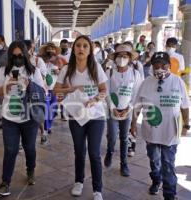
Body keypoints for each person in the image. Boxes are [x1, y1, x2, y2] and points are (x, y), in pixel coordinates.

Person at [54, 35, 108, 200]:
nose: (81, 49)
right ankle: (79, 181)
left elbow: (104, 90)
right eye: (78, 45)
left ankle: (97, 189)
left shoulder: (96, 67)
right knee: (79, 151)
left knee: (94, 152)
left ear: (90, 49)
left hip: (96, 116)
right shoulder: (66, 69)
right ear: (73, 48)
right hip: (76, 116)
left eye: (85, 46)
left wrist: (95, 100)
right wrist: (70, 90)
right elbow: (56, 90)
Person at [131, 52, 190, 200]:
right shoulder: (146, 83)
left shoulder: (178, 82)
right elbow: (137, 106)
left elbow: (184, 106)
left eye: (163, 65)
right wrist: (133, 124)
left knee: (168, 164)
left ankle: (170, 195)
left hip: (170, 132)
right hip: (151, 132)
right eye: (156, 66)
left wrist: (186, 124)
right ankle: (156, 180)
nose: (159, 69)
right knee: (154, 161)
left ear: (169, 66)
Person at [0, 41, 44, 197]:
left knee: (29, 148)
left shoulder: (34, 71)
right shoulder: (3, 71)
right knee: (10, 150)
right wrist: (6, 87)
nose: (17, 58)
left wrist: (29, 85)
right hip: (9, 118)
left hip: (29, 118)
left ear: (26, 54)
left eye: (20, 55)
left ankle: (30, 169)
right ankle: (5, 182)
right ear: (10, 56)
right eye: (14, 56)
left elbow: (42, 92)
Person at [104, 44, 142, 177]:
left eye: (125, 56)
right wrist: (113, 108)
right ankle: (109, 152)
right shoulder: (109, 72)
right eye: (119, 56)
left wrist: (129, 108)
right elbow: (106, 91)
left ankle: (124, 164)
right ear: (115, 58)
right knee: (112, 137)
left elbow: (137, 93)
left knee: (124, 138)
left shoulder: (135, 74)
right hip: (112, 110)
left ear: (129, 58)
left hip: (127, 111)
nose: (122, 59)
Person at [39, 42, 65, 144]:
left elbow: (63, 71)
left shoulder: (57, 61)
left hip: (54, 89)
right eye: (48, 50)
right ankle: (46, 127)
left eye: (52, 50)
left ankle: (49, 123)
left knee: (53, 109)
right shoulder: (40, 61)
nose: (50, 51)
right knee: (46, 108)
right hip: (44, 90)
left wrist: (59, 70)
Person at [0, 35, 8, 129]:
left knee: (4, 98)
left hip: (6, 78)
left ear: (3, 41)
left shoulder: (9, 52)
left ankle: (4, 119)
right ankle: (0, 117)